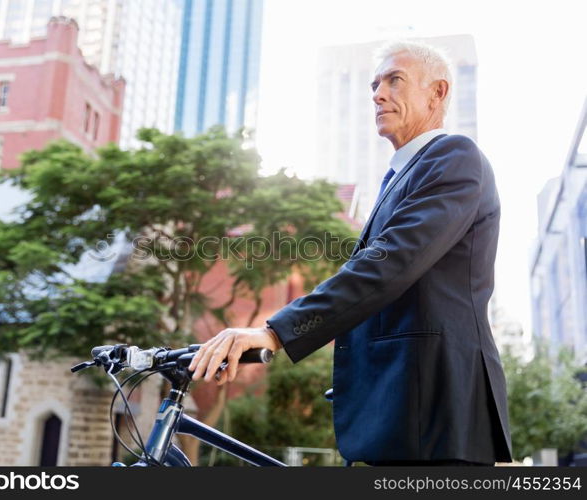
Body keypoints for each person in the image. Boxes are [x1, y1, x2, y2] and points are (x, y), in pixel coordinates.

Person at [189, 40, 512, 466]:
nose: (378, 94)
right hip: (397, 410)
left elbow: (388, 265)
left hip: (437, 411)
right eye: (375, 84)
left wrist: (274, 332)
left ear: (438, 93)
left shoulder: (454, 157)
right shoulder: (397, 178)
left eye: (395, 80)